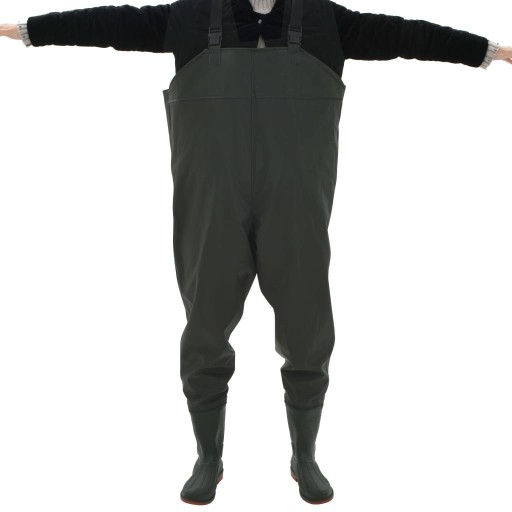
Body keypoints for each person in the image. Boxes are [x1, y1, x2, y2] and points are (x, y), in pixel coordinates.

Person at [1, 0, 511, 506]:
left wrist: (488, 50)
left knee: (308, 328)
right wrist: (26, 29)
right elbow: (111, 24)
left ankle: (305, 455)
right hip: (211, 205)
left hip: (296, 207)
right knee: (204, 328)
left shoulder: (323, 20)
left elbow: (409, 36)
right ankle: (208, 457)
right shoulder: (192, 17)